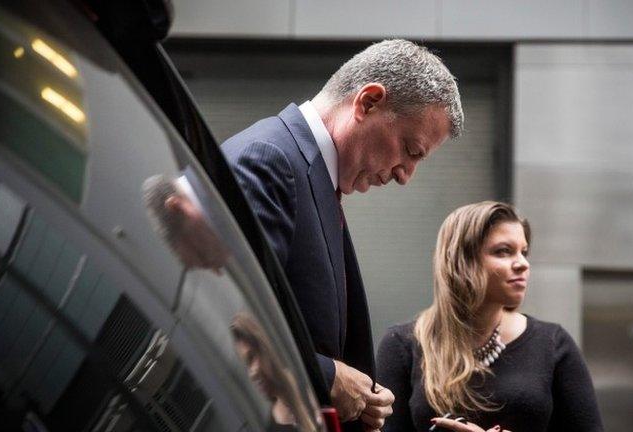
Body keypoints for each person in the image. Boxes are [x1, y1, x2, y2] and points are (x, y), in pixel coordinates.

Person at [221, 39, 464, 431]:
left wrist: (359, 393)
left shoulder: (305, 170)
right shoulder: (269, 160)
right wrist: (329, 378)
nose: (405, 175)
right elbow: (224, 316)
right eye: (410, 150)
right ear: (368, 102)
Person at [376, 201, 603, 432]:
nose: (523, 264)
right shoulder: (402, 345)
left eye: (524, 252)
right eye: (503, 251)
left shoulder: (553, 343)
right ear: (462, 261)